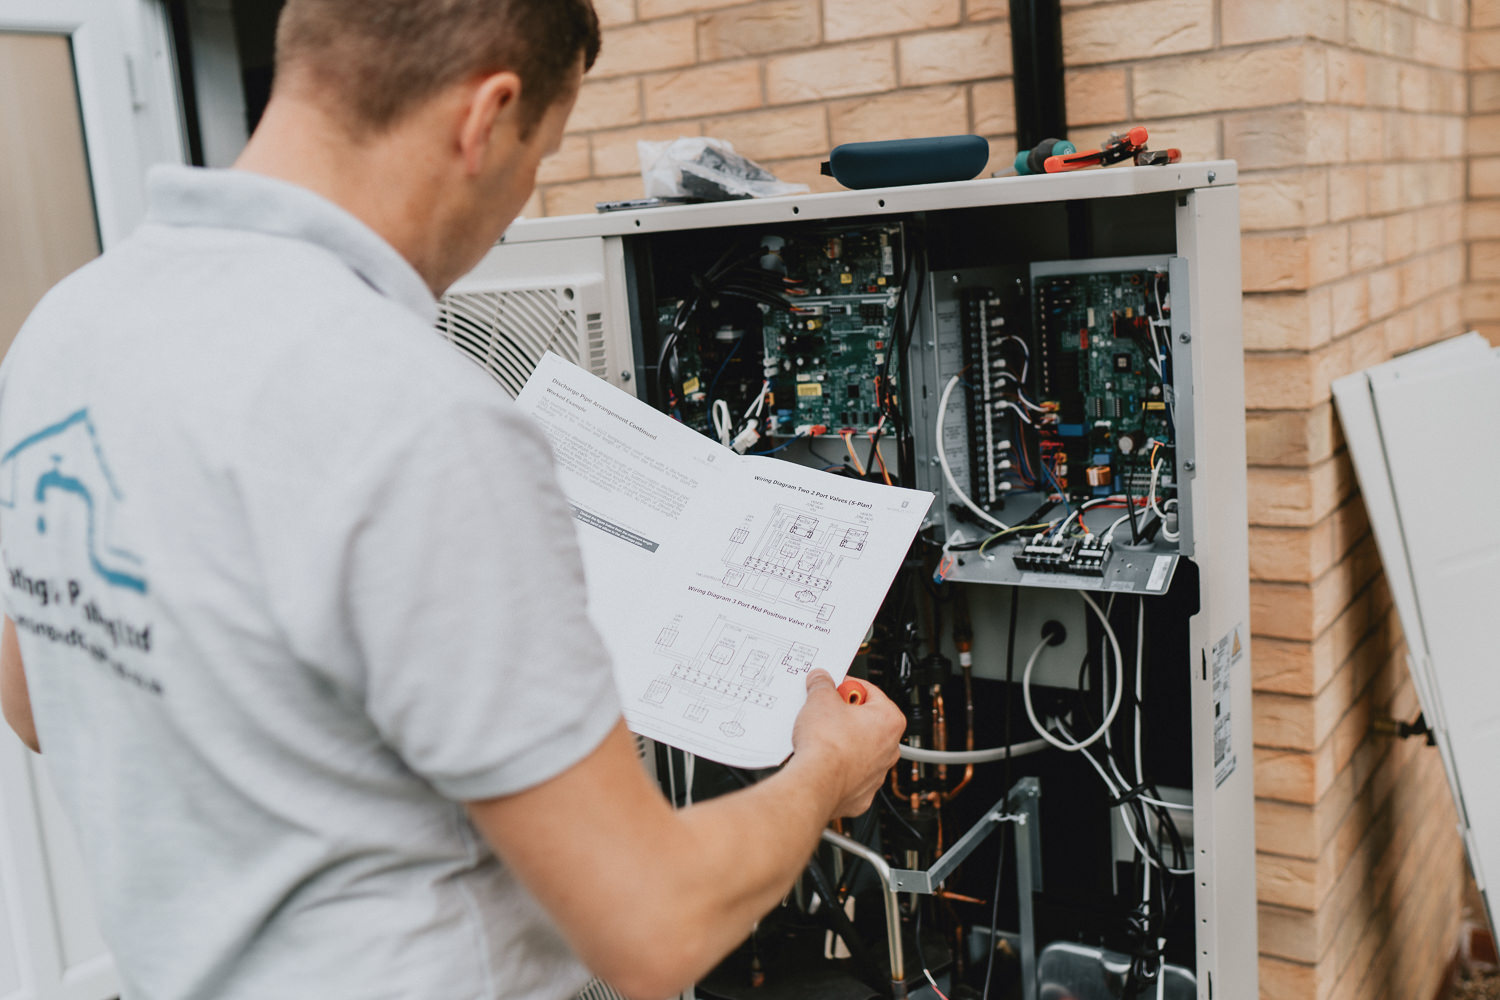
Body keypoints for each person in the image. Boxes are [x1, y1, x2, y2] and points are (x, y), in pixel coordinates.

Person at [0, 2, 906, 999]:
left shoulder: (61, 333)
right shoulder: (419, 415)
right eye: (541, 154)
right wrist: (824, 768)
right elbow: (652, 922)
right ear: (487, 114)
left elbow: (38, 699)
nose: (521, 201)